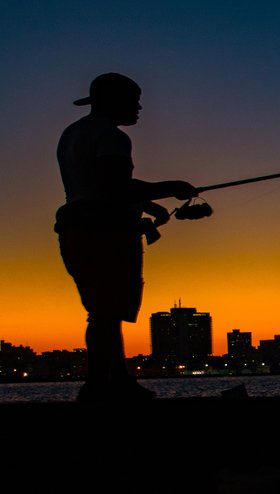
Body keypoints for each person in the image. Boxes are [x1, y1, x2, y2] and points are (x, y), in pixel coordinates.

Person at [55, 72, 198, 402]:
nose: (140, 108)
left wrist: (149, 204)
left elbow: (95, 186)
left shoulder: (73, 133)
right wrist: (170, 188)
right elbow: (115, 185)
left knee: (104, 309)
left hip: (75, 227)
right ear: (113, 102)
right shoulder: (112, 137)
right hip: (106, 231)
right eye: (133, 101)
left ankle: (117, 381)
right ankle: (96, 387)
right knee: (107, 312)